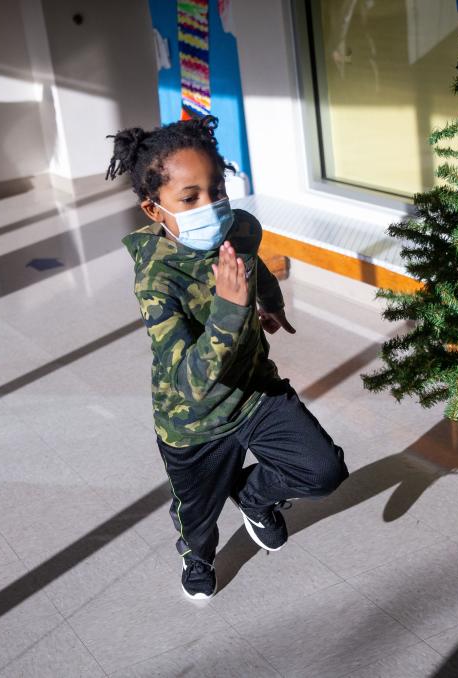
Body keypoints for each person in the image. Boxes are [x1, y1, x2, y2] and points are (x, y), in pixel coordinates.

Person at [107, 116, 349, 600]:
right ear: (155, 210)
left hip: (256, 391)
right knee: (197, 515)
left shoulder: (236, 228)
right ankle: (196, 554)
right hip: (193, 421)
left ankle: (254, 497)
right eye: (190, 197)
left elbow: (253, 266)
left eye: (216, 188)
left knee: (323, 470)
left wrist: (270, 304)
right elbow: (191, 381)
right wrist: (229, 309)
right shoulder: (157, 281)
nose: (211, 205)